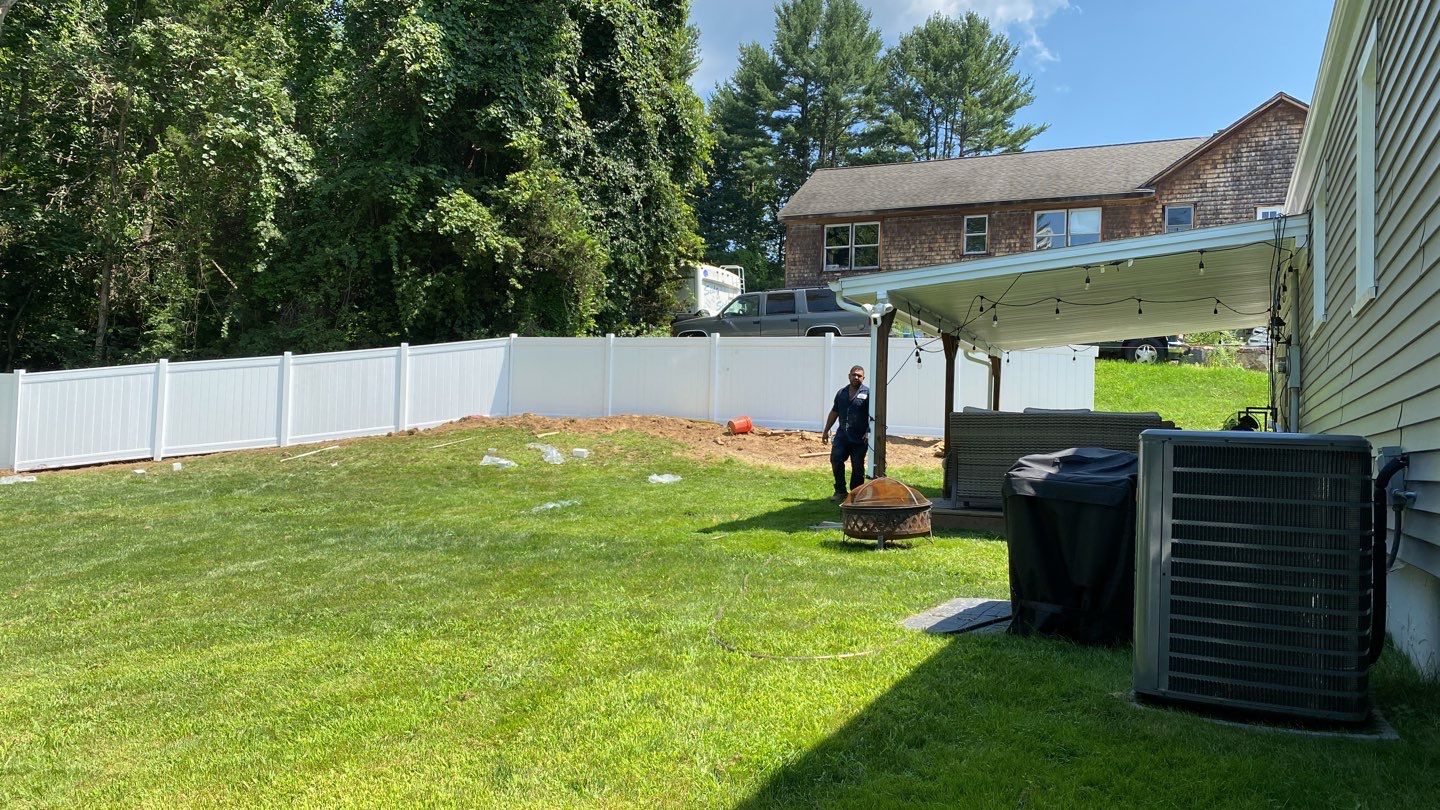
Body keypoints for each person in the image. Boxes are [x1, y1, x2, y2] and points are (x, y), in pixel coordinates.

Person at [822, 365, 870, 502]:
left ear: (863, 378)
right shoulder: (841, 393)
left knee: (857, 466)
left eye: (859, 375)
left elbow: (872, 416)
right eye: (854, 374)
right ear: (849, 376)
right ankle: (840, 491)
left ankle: (856, 494)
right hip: (842, 436)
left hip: (860, 438)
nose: (856, 377)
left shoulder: (868, 394)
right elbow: (834, 412)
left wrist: (868, 432)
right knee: (836, 460)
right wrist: (826, 431)